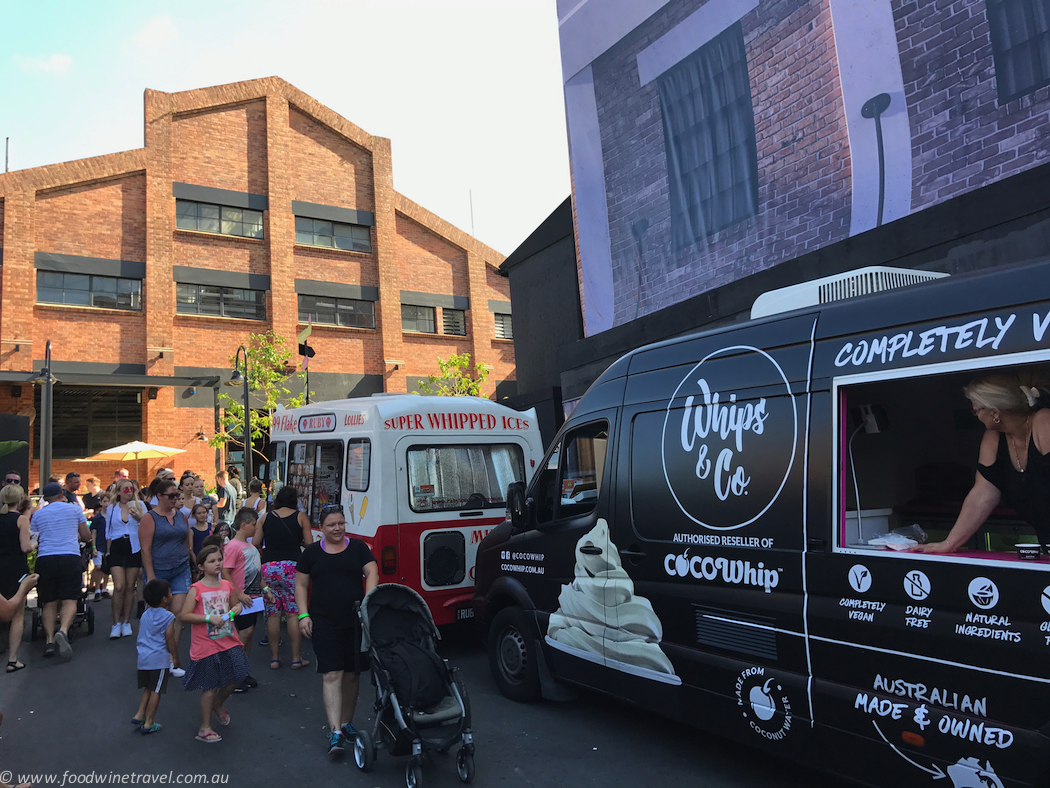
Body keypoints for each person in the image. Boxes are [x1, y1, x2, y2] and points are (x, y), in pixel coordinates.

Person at [915, 372, 1050, 553]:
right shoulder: (994, 438)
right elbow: (983, 494)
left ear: (994, 413)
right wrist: (949, 543)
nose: (975, 416)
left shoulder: (1044, 422)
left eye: (975, 410)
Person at [295, 504, 378, 760]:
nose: (337, 528)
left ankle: (346, 722)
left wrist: (368, 602)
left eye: (341, 523)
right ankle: (335, 732)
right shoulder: (311, 553)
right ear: (322, 527)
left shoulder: (358, 548)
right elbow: (300, 584)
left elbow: (372, 571)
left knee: (353, 674)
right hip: (323, 621)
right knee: (332, 673)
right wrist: (303, 614)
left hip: (354, 621)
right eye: (331, 525)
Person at [180, 545, 249, 744]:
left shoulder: (227, 585)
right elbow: (184, 615)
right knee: (209, 686)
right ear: (201, 567)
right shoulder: (197, 589)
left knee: (240, 672)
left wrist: (236, 608)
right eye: (212, 561)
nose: (218, 563)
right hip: (206, 644)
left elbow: (235, 607)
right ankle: (205, 727)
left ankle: (218, 703)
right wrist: (209, 617)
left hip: (228, 638)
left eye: (219, 559)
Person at [30, 482, 91, 659]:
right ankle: (63, 631)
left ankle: (49, 640)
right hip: (69, 556)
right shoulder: (74, 510)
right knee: (70, 599)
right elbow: (86, 535)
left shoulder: (38, 515)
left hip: (46, 558)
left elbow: (35, 538)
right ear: (61, 494)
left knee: (48, 601)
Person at [258, 485, 313, 671]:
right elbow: (309, 543)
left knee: (273, 614)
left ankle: (274, 659)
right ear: (295, 500)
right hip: (292, 567)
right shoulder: (301, 517)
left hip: (269, 567)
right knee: (293, 613)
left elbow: (256, 542)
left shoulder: (265, 517)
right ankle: (296, 659)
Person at [139, 479, 193, 648]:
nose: (175, 499)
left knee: (178, 613)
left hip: (181, 568)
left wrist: (192, 559)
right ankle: (152, 649)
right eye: (171, 496)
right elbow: (145, 549)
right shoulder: (149, 518)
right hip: (158, 570)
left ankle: (172, 656)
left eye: (177, 495)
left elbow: (185, 541)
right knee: (159, 613)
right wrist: (152, 578)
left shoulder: (181, 516)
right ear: (159, 496)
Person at [222, 508, 262, 693]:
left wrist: (266, 589)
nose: (256, 527)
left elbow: (256, 573)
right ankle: (233, 674)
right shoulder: (232, 547)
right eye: (254, 524)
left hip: (253, 598)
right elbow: (226, 572)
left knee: (249, 634)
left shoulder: (250, 547)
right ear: (244, 525)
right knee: (243, 634)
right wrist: (238, 594)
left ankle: (242, 671)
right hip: (241, 599)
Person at [132, 579, 180, 735]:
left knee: (147, 687)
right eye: (170, 593)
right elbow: (170, 638)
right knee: (156, 690)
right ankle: (149, 722)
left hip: (143, 658)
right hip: (158, 659)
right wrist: (175, 656)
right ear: (164, 599)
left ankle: (140, 714)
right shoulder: (168, 616)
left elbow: (141, 633)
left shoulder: (145, 614)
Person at [0, 485, 35, 671]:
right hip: (16, 568)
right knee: (17, 614)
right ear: (20, 500)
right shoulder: (21, 519)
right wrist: (34, 543)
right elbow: (25, 547)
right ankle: (13, 659)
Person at [106, 479, 145, 638]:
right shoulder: (112, 508)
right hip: (117, 545)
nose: (129, 491)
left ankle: (126, 622)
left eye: (131, 488)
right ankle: (116, 623)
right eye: (125, 489)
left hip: (133, 546)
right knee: (119, 586)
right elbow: (108, 530)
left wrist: (138, 517)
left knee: (130, 586)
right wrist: (107, 551)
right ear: (119, 491)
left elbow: (146, 524)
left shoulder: (139, 505)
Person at [87, 492, 111, 601]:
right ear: (101, 502)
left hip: (108, 545)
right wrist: (94, 547)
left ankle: (104, 589)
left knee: (107, 568)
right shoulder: (97, 518)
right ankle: (97, 589)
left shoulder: (112, 517)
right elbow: (94, 533)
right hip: (99, 545)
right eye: (104, 501)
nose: (107, 504)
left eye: (108, 501)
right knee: (98, 567)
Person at [214, 471, 237, 538]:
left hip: (224, 517)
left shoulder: (224, 489)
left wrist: (215, 501)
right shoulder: (233, 488)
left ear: (220, 478)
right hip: (232, 516)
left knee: (223, 538)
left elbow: (222, 504)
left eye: (217, 480)